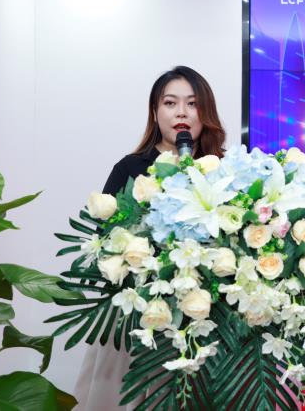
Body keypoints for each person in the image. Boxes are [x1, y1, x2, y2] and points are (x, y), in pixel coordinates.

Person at [74, 66, 226, 411]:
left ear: (206, 111)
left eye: (192, 104)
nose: (182, 112)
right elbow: (103, 241)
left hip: (211, 317)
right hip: (143, 319)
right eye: (170, 103)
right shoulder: (130, 168)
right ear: (155, 112)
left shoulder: (222, 168)